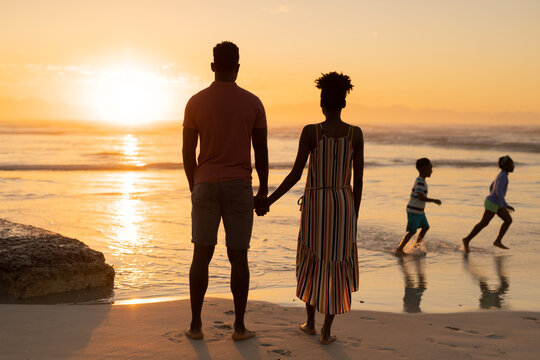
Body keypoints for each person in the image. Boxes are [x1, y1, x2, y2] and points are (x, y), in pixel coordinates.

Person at [256, 72, 363, 344]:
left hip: (317, 205)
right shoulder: (355, 134)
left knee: (312, 259)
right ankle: (327, 331)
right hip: (343, 203)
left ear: (321, 102)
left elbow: (295, 175)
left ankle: (311, 323)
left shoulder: (311, 131)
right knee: (337, 262)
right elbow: (359, 181)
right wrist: (353, 215)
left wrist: (268, 200)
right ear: (344, 103)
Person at [182, 41, 268, 341]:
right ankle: (240, 327)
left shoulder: (195, 102)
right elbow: (261, 152)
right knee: (239, 257)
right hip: (238, 186)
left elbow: (187, 151)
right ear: (238, 66)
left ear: (212, 65)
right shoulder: (253, 102)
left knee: (200, 255)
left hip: (205, 183)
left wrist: (195, 186)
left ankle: (195, 326)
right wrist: (263, 191)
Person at [462, 156, 515, 252]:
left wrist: (496, 198)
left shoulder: (502, 175)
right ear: (505, 166)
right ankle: (467, 239)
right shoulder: (503, 176)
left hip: (496, 202)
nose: (513, 166)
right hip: (493, 203)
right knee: (484, 223)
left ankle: (498, 241)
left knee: (508, 220)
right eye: (511, 164)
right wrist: (505, 204)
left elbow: (491, 186)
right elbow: (498, 191)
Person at [394, 158, 442, 256]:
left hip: (419, 212)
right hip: (414, 211)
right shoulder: (420, 182)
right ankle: (400, 248)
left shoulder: (422, 182)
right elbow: (421, 197)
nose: (431, 170)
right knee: (412, 231)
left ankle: (416, 246)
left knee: (425, 227)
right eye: (430, 168)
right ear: (423, 168)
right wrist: (434, 200)